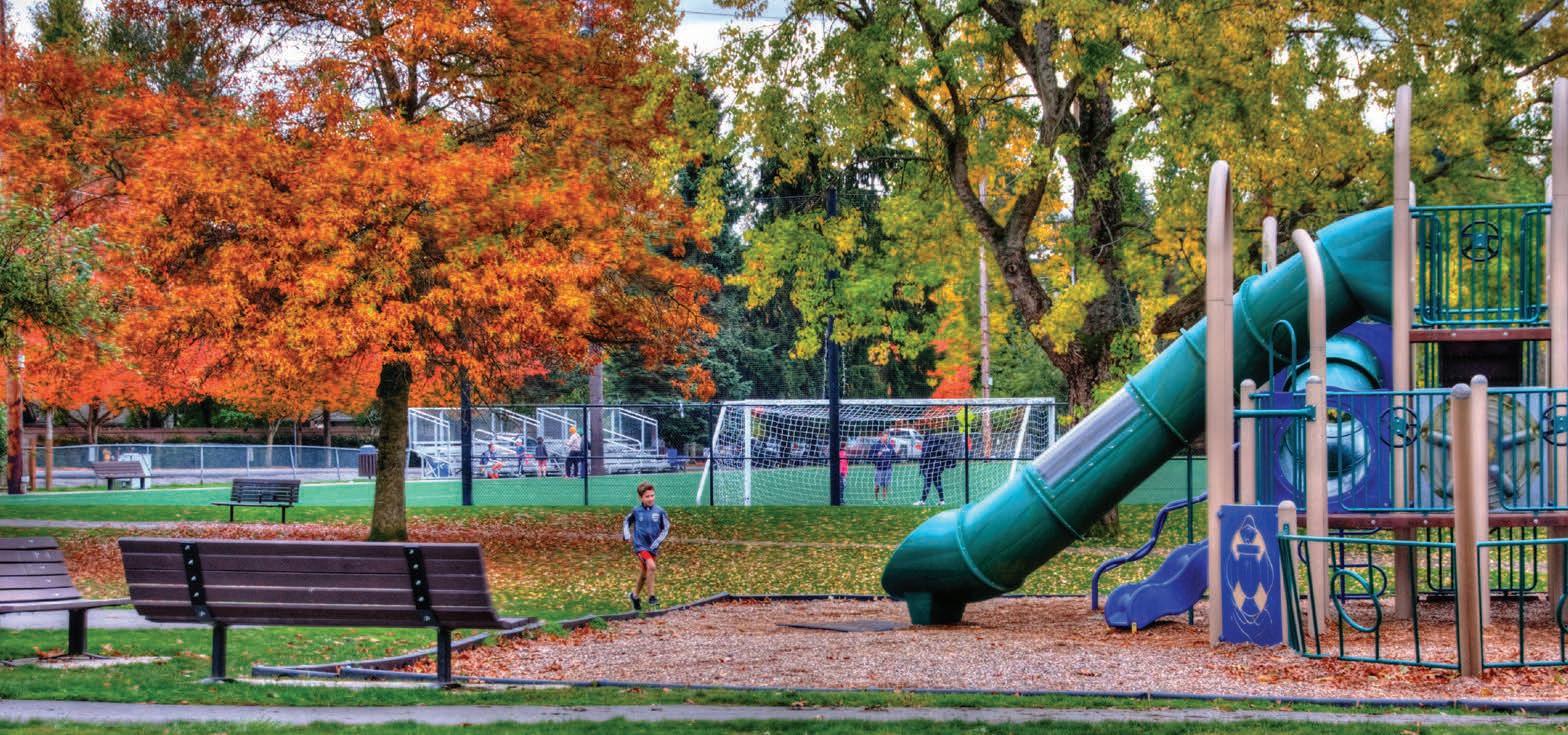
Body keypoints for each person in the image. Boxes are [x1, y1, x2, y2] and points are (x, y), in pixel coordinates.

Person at [622, 482, 669, 611]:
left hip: (653, 547)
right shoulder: (636, 511)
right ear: (641, 498)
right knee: (652, 567)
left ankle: (634, 596)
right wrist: (627, 535)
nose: (650, 498)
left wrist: (657, 543)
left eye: (652, 495)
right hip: (640, 546)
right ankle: (652, 597)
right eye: (647, 496)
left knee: (644, 572)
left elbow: (665, 528)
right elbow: (626, 521)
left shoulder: (660, 511)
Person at [917, 432, 948, 506]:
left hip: (929, 467)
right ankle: (942, 501)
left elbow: (925, 455)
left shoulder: (927, 443)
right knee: (938, 484)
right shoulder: (938, 442)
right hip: (938, 466)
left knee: (927, 484)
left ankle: (922, 501)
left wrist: (922, 466)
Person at [872, 431, 896, 503]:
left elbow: (894, 455)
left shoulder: (889, 446)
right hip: (879, 469)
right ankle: (876, 499)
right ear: (881, 437)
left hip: (888, 468)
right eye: (885, 436)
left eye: (887, 436)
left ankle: (884, 499)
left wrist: (897, 453)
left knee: (885, 485)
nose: (886, 438)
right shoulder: (875, 445)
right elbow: (870, 456)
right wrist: (877, 455)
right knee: (877, 485)